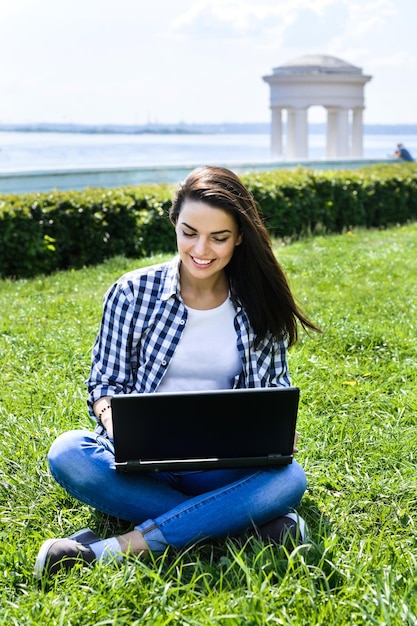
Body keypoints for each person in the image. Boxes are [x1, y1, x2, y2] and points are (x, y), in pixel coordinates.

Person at [34, 165, 321, 578]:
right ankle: (239, 526)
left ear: (240, 236)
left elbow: (274, 385)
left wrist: (278, 429)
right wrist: (113, 420)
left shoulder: (258, 303)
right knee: (68, 453)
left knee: (290, 479)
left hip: (222, 466)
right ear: (174, 224)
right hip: (140, 464)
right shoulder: (132, 292)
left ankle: (111, 549)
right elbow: (105, 381)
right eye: (189, 232)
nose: (201, 249)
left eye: (219, 237)